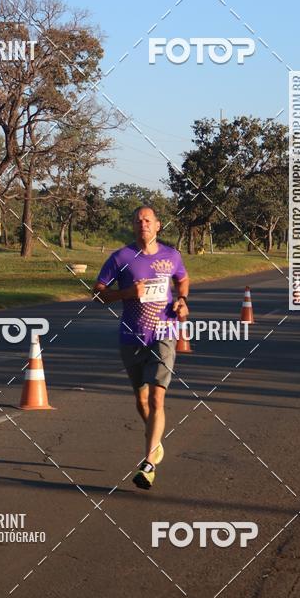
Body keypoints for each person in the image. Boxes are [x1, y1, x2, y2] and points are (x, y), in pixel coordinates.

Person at [93, 206, 189, 490]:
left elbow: (182, 278)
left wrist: (182, 299)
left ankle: (148, 464)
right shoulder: (120, 258)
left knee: (157, 399)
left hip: (164, 332)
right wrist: (127, 293)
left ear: (158, 226)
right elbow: (98, 293)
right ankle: (155, 442)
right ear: (132, 226)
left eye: (147, 220)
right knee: (142, 401)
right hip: (131, 336)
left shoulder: (171, 256)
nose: (142, 224)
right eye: (137, 221)